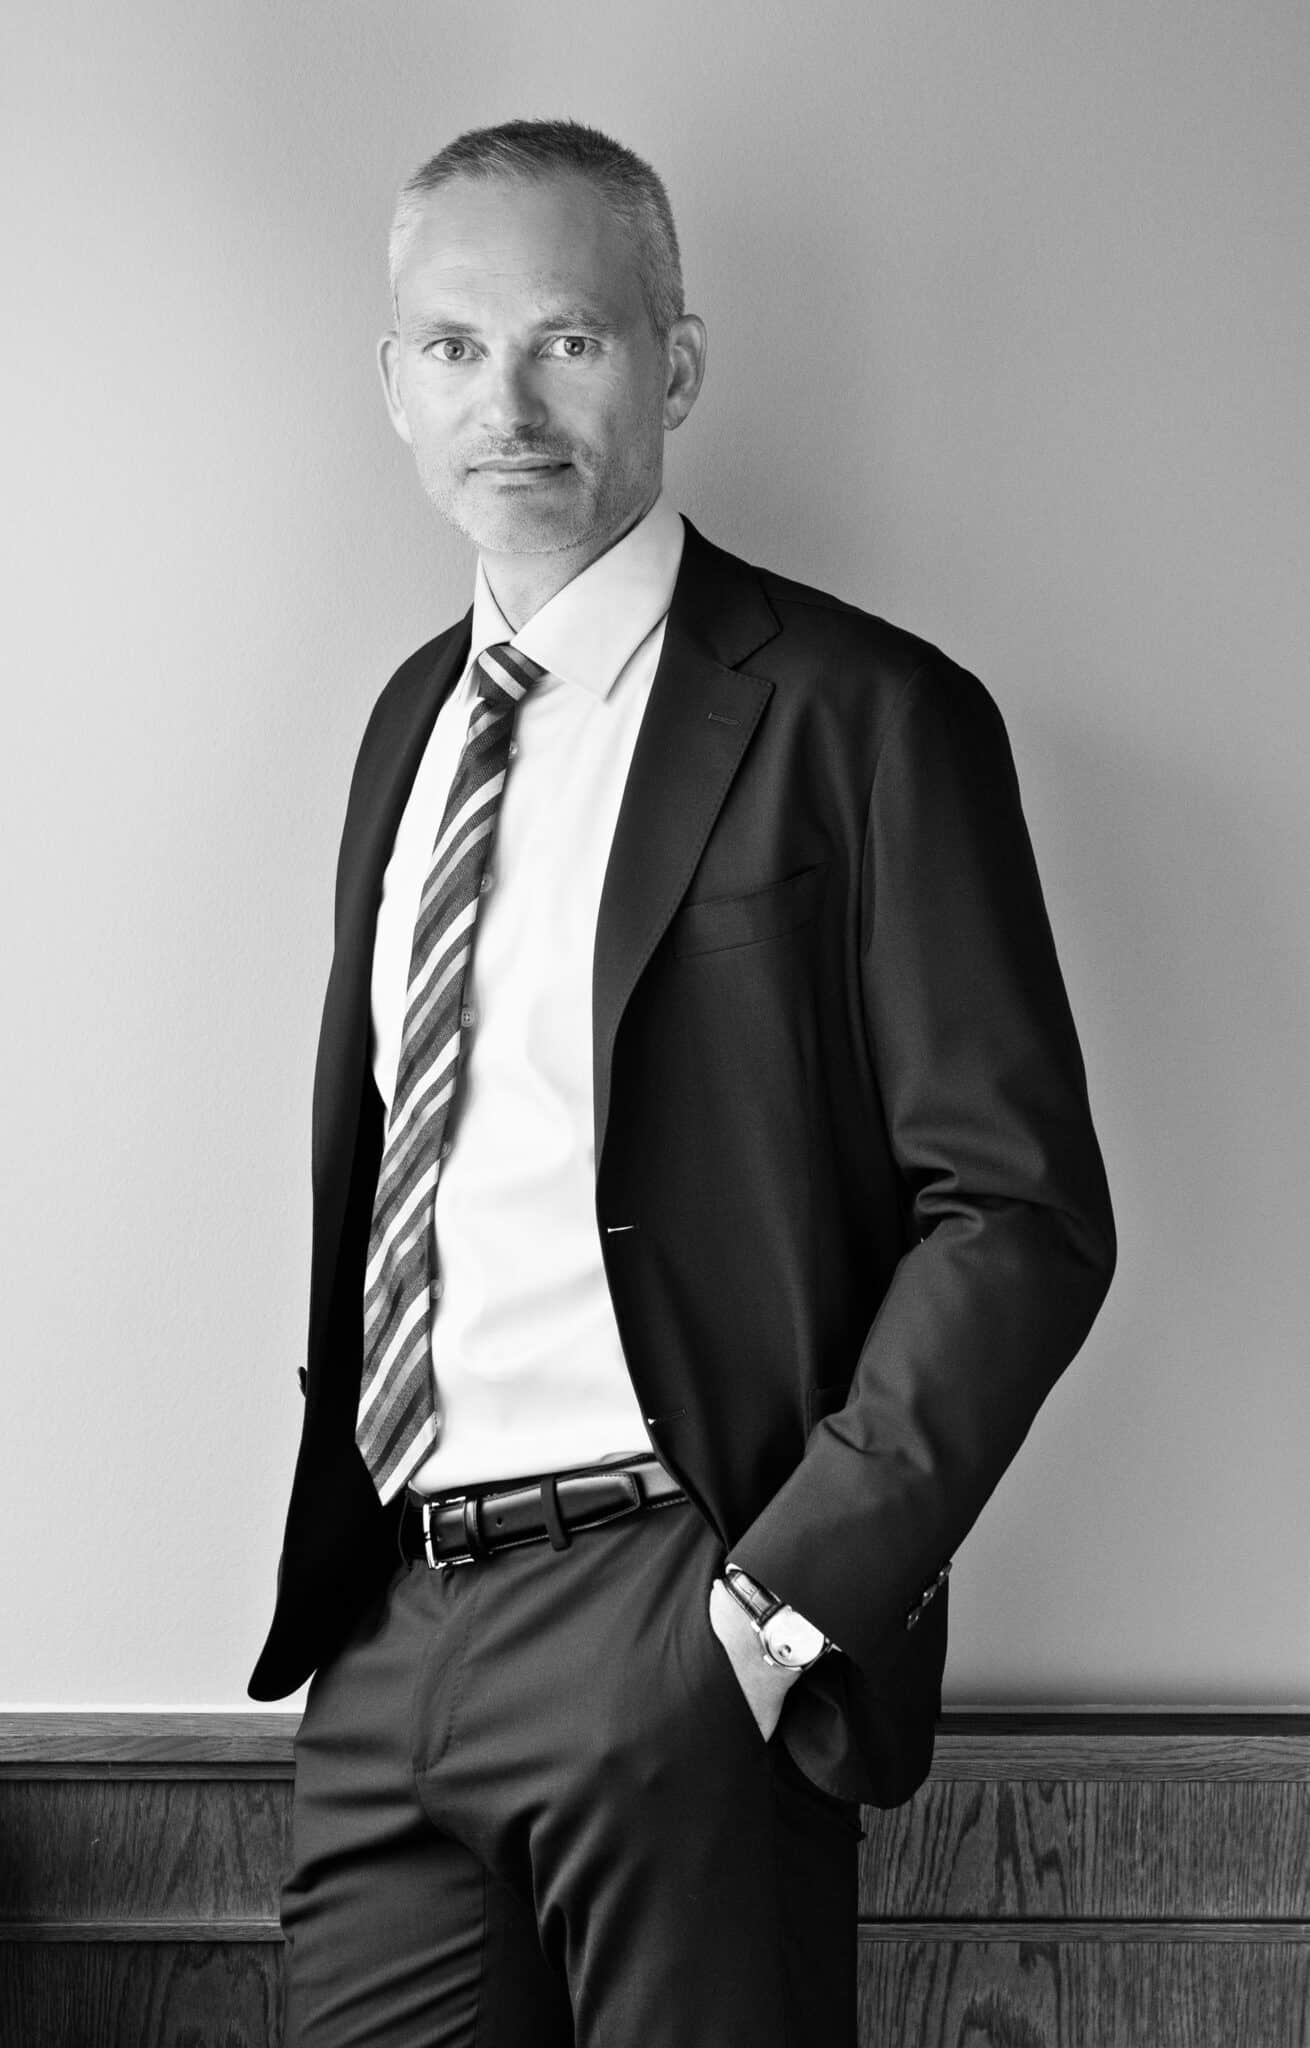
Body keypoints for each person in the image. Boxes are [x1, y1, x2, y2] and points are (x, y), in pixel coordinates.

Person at [248, 117, 1114, 2047]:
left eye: (568, 340)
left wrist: (779, 1604)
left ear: (676, 363)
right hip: (390, 1631)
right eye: (453, 347)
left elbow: (1019, 1212)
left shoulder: (866, 717)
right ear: (392, 383)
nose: (506, 404)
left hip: (677, 1607)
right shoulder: (407, 725)